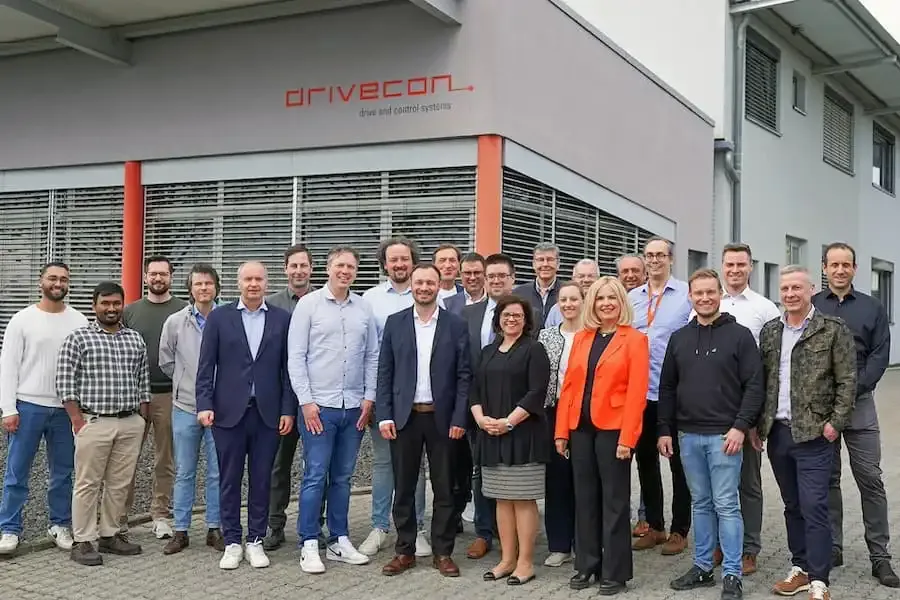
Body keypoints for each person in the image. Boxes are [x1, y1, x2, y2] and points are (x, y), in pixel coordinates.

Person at [659, 269, 764, 600]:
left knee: (727, 505)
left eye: (710, 292)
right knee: (701, 504)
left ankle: (732, 573)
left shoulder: (740, 336)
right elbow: (667, 387)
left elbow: (754, 385)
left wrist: (740, 426)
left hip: (725, 437)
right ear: (690, 297)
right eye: (698, 293)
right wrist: (664, 430)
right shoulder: (679, 338)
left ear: (720, 294)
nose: (704, 298)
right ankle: (703, 567)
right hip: (688, 436)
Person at [757, 266, 856, 600]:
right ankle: (800, 567)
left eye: (797, 287)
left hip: (815, 434)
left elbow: (848, 381)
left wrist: (834, 424)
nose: (790, 294)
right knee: (792, 505)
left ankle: (819, 580)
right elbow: (763, 382)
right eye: (785, 288)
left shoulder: (832, 329)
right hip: (779, 433)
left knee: (814, 506)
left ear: (811, 289)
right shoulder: (771, 332)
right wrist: (759, 426)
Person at [195, 261, 296, 570]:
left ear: (267, 283)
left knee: (262, 480)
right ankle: (232, 541)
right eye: (248, 279)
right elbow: (206, 366)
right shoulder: (219, 318)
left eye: (258, 279)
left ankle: (255, 540)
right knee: (229, 479)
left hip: (268, 414)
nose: (253, 284)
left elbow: (288, 370)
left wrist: (288, 409)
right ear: (238, 283)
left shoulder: (282, 319)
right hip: (228, 414)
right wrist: (204, 404)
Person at [376, 263, 471, 578]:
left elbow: (464, 375)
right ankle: (405, 551)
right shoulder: (395, 323)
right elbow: (385, 372)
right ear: (412, 286)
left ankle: (443, 552)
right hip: (405, 418)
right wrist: (385, 415)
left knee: (445, 488)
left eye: (430, 282)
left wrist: (460, 417)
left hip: (443, 419)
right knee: (404, 487)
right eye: (419, 282)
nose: (424, 287)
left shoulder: (455, 325)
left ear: (439, 285)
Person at [555, 277, 649, 595]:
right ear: (592, 304)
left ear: (621, 302)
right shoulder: (583, 337)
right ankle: (587, 565)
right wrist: (561, 431)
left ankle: (616, 572)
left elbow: (637, 393)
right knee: (585, 500)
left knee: (614, 502)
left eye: (612, 298)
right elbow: (569, 387)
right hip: (580, 429)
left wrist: (628, 439)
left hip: (614, 431)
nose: (606, 303)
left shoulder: (635, 340)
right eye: (599, 298)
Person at [288, 246, 378, 574]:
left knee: (343, 477)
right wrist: (306, 402)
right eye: (340, 265)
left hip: (353, 407)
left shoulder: (363, 308)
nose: (345, 271)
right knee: (315, 475)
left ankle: (339, 539)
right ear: (328, 268)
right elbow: (296, 356)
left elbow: (372, 355)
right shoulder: (309, 305)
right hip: (319, 408)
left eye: (351, 267)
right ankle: (309, 542)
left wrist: (369, 397)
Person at [813, 242, 898, 588]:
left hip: (859, 403)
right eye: (834, 264)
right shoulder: (813, 305)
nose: (840, 270)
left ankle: (880, 557)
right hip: (822, 406)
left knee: (870, 479)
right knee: (827, 479)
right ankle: (833, 547)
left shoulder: (872, 307)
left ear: (854, 269)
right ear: (824, 268)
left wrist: (852, 391)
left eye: (846, 264)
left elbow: (879, 355)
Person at [56, 281, 150, 566]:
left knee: (119, 483)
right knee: (87, 483)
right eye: (105, 303)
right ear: (94, 305)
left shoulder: (135, 339)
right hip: (93, 422)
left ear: (123, 305)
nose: (111, 308)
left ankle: (109, 534)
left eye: (116, 303)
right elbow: (65, 383)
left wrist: (142, 420)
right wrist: (77, 421)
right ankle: (83, 540)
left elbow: (143, 382)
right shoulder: (78, 338)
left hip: (129, 422)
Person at [0, 262, 87, 555]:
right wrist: (8, 408)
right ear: (41, 282)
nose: (58, 283)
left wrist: (80, 410)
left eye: (63, 279)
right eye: (52, 278)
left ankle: (59, 524)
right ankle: (9, 529)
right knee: (17, 472)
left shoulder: (79, 321)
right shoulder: (22, 320)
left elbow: (83, 369)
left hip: (65, 409)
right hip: (28, 406)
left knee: (62, 473)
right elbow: (8, 366)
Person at [708, 243, 780, 575]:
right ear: (722, 266)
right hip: (711, 411)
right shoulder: (708, 302)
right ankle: (720, 544)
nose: (735, 270)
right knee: (715, 484)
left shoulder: (765, 309)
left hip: (746, 412)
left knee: (748, 484)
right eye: (729, 264)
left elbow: (770, 368)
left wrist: (756, 420)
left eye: (741, 264)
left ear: (751, 267)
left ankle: (749, 548)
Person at [470, 295, 550, 587]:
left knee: (523, 499)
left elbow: (536, 392)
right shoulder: (488, 351)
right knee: (502, 499)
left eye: (517, 315)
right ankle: (506, 559)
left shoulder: (534, 349)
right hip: (491, 435)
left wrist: (508, 422)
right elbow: (475, 390)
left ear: (526, 320)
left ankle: (525, 562)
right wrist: (481, 420)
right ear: (498, 319)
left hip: (523, 435)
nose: (511, 319)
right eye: (506, 315)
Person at [360, 238, 429, 558]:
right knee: (384, 463)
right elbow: (367, 352)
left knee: (416, 467)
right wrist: (371, 397)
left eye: (405, 259)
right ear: (385, 264)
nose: (400, 264)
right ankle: (379, 527)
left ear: (413, 262)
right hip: (385, 395)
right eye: (393, 260)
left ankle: (418, 528)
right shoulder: (370, 299)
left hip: (420, 399)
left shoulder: (429, 293)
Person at [629, 237, 692, 555]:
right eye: (649, 255)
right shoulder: (632, 297)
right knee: (646, 461)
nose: (654, 260)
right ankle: (655, 525)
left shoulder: (686, 295)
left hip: (674, 392)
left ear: (671, 259)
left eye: (660, 255)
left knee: (680, 464)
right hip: (640, 392)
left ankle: (680, 529)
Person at [157, 263, 225, 555]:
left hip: (221, 409)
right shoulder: (175, 322)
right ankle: (181, 530)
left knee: (217, 472)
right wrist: (186, 382)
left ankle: (214, 528)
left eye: (208, 283)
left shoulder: (228, 318)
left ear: (216, 287)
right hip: (185, 406)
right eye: (198, 284)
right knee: (184, 471)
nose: (204, 288)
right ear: (190, 289)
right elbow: (166, 360)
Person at [122, 255, 187, 540]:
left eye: (163, 274)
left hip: (170, 394)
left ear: (171, 277)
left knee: (165, 458)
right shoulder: (130, 312)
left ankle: (160, 515)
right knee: (126, 458)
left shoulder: (183, 310)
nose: (158, 278)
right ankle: (119, 517)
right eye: (153, 274)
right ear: (145, 277)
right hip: (134, 395)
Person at [263, 244, 320, 551]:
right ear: (285, 269)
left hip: (316, 397)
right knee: (278, 465)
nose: (299, 271)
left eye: (304, 265)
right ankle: (274, 525)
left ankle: (314, 525)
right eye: (293, 265)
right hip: (281, 399)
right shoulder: (270, 305)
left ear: (312, 269)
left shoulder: (323, 301)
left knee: (317, 466)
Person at [460, 253, 516, 559]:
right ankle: (484, 532)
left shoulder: (526, 312)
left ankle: (511, 532)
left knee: (513, 470)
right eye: (490, 276)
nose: (495, 281)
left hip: (514, 407)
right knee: (480, 470)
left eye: (501, 276)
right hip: (478, 406)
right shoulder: (469, 313)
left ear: (512, 279)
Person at [536, 281, 582, 567]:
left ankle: (584, 542)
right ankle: (559, 544)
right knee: (557, 480)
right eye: (563, 300)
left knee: (584, 480)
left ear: (583, 302)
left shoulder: (593, 334)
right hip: (553, 413)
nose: (568, 304)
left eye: (573, 299)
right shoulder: (546, 336)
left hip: (585, 416)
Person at [513, 243, 562, 327]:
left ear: (558, 264)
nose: (545, 264)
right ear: (533, 264)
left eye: (550, 259)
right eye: (540, 260)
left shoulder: (567, 293)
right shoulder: (518, 294)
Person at [544, 259, 600, 327]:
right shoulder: (557, 309)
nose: (586, 280)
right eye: (581, 276)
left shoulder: (603, 308)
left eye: (591, 276)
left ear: (598, 279)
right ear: (573, 279)